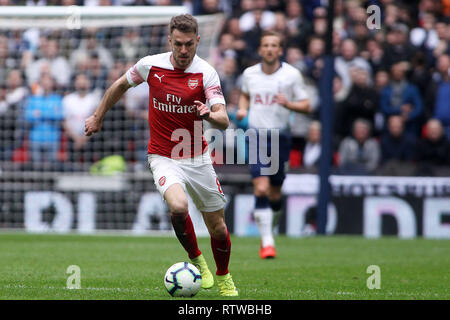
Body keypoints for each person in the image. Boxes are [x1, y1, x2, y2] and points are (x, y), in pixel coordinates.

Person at [84, 14, 238, 297]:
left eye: (189, 45)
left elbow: (224, 118)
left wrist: (210, 115)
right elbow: (119, 85)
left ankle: (224, 275)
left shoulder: (207, 73)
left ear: (197, 41)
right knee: (178, 208)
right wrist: (97, 116)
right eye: (178, 44)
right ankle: (197, 261)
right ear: (169, 40)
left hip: (197, 156)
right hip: (162, 155)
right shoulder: (150, 65)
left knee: (217, 227)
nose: (183, 51)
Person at [236, 30, 310, 259]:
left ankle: (271, 228)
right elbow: (245, 94)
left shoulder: (291, 75)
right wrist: (242, 108)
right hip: (256, 135)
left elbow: (306, 105)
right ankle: (267, 242)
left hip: (281, 138)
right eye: (265, 45)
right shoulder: (249, 74)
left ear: (280, 50)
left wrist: (289, 104)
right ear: (260, 50)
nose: (269, 49)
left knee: (276, 194)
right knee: (261, 188)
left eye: (274, 45)